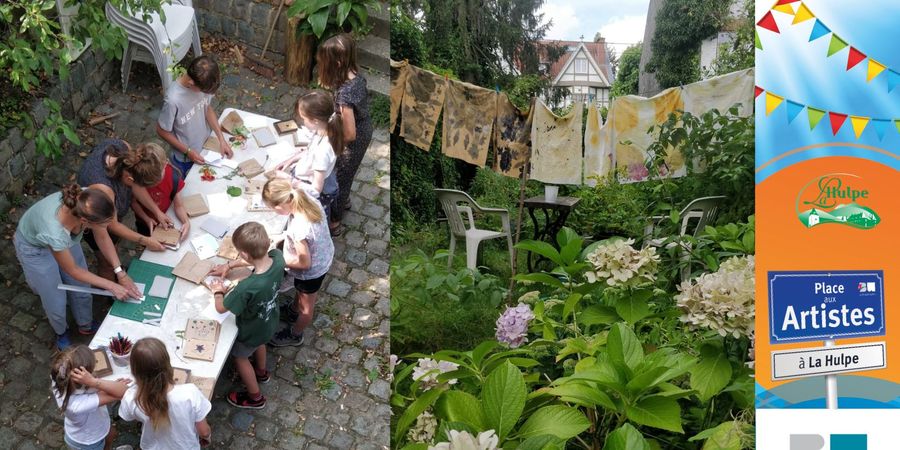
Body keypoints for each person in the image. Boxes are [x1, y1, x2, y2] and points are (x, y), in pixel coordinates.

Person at [14, 185, 142, 350]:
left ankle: (85, 324)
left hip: (64, 237)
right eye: (103, 223)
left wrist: (120, 273)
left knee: (82, 286)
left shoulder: (88, 200)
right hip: (35, 248)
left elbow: (102, 237)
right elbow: (73, 270)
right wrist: (112, 285)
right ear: (84, 222)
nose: (108, 226)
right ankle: (61, 331)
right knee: (54, 296)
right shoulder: (55, 232)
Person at [207, 222, 285, 409]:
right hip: (269, 320)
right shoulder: (278, 257)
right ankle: (262, 371)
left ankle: (255, 396)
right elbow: (256, 259)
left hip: (250, 330)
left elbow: (221, 308)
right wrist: (231, 265)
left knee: (240, 357)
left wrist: (218, 291)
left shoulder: (246, 287)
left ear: (244, 254)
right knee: (261, 343)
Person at [78, 139, 168, 282]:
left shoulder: (126, 150)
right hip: (96, 222)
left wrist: (157, 212)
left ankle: (116, 272)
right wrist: (146, 240)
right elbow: (112, 226)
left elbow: (137, 185)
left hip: (111, 214)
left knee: (114, 250)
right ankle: (109, 293)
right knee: (107, 263)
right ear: (129, 178)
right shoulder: (104, 189)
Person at [261, 179, 334, 347]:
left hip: (312, 271)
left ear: (280, 206)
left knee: (306, 308)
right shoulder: (305, 198)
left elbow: (305, 262)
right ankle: (293, 311)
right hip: (323, 255)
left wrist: (279, 260)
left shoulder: (300, 229)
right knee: (301, 294)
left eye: (272, 208)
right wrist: (284, 236)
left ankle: (295, 334)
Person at [316, 33, 374, 236]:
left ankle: (335, 221)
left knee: (339, 177)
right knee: (346, 173)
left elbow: (349, 134)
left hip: (355, 137)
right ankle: (345, 201)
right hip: (365, 126)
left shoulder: (345, 95)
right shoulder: (356, 75)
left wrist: (332, 140)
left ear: (338, 62)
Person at [119, 337, 212, 449]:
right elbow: (204, 432)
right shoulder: (190, 393)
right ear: (167, 364)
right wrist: (207, 438)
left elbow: (130, 416)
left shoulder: (131, 397)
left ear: (134, 370)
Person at [271, 90, 343, 220]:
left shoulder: (323, 151)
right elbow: (309, 152)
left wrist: (289, 180)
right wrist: (290, 160)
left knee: (316, 220)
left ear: (315, 120)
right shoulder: (322, 131)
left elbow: (315, 190)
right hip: (307, 176)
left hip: (311, 196)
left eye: (304, 119)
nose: (302, 122)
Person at [156, 54, 233, 176]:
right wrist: (188, 152)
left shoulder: (203, 83)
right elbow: (161, 131)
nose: (205, 94)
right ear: (191, 83)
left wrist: (221, 139)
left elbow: (206, 107)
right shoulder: (173, 100)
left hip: (206, 146)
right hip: (185, 158)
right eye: (203, 91)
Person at [51, 345, 130, 450]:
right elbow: (123, 391)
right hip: (88, 442)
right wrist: (94, 382)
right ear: (82, 380)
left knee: (111, 434)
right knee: (108, 438)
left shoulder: (60, 376)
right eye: (93, 370)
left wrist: (99, 385)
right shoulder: (77, 405)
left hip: (93, 426)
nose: (95, 373)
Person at [132, 159, 190, 243]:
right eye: (150, 183)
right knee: (148, 245)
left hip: (167, 216)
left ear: (164, 165)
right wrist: (146, 219)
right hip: (145, 222)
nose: (154, 184)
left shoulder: (171, 176)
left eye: (156, 181)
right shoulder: (137, 180)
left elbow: (179, 206)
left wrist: (186, 222)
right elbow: (133, 203)